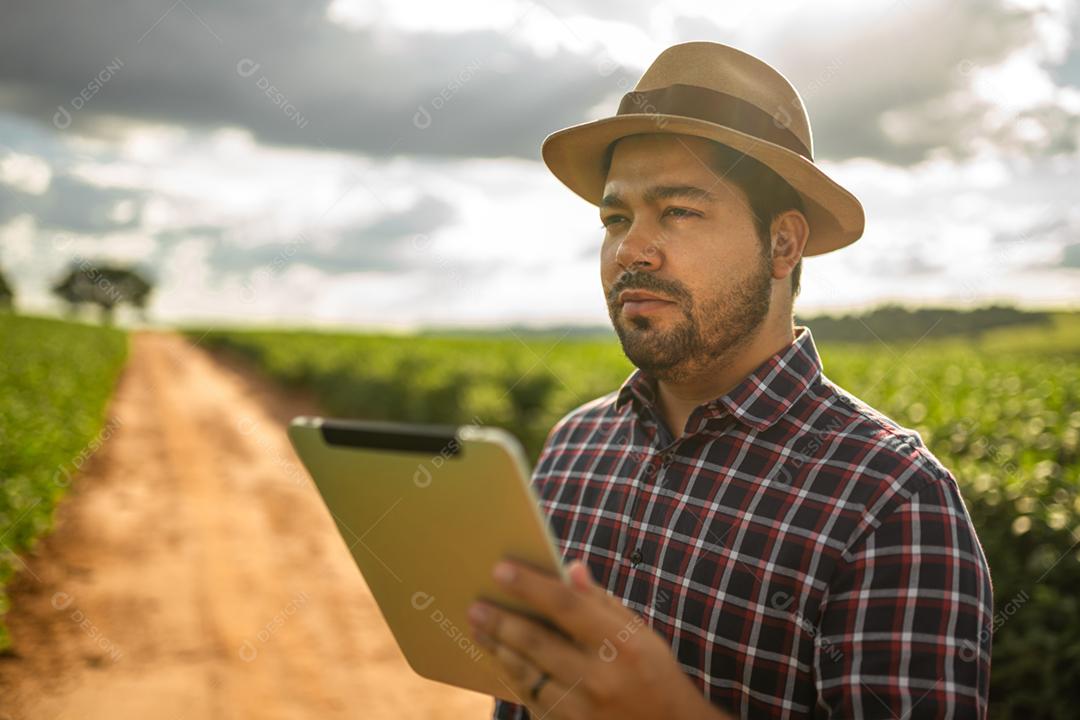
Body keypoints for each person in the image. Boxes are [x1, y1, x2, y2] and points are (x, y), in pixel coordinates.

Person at [465, 41, 993, 719]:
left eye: (679, 211)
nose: (631, 249)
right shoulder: (574, 447)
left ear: (783, 244)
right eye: (615, 217)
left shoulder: (894, 503)